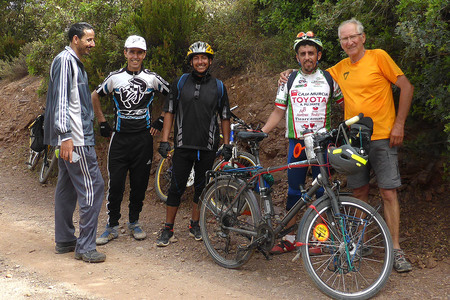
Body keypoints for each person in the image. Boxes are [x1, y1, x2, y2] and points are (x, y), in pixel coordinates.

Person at [280, 18, 414, 272]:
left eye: (353, 37)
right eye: (344, 39)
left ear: (363, 37)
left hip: (384, 136)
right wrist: (288, 74)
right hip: (354, 140)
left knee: (388, 192)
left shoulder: (379, 57)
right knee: (359, 192)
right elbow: (310, 72)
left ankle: (396, 250)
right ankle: (357, 245)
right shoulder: (339, 68)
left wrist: (400, 124)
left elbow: (406, 86)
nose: (350, 42)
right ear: (341, 43)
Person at [262, 31, 343, 254]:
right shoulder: (288, 80)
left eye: (311, 53)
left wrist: (350, 130)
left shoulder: (329, 79)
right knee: (294, 191)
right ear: (297, 57)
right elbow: (278, 111)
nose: (307, 57)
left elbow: (345, 104)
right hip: (296, 144)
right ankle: (288, 238)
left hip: (322, 144)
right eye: (302, 53)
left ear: (319, 55)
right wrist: (262, 132)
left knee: (322, 192)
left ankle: (320, 240)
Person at [91, 35, 170, 245]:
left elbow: (173, 94)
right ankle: (111, 226)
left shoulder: (152, 78)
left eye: (139, 52)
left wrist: (161, 120)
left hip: (143, 139)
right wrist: (102, 122)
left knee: (139, 184)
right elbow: (94, 95)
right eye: (131, 51)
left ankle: (134, 222)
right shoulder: (115, 77)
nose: (135, 56)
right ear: (125, 53)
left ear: (144, 55)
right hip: (119, 139)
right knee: (115, 184)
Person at [156, 41, 232, 247]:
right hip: (183, 145)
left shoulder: (218, 86)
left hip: (207, 147)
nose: (201, 61)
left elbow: (225, 116)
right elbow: (170, 111)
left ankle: (194, 225)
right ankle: (168, 229)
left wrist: (227, 144)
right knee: (176, 188)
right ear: (191, 61)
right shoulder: (180, 83)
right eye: (196, 58)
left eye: (204, 58)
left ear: (209, 61)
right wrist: (165, 141)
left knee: (201, 188)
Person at [44, 22, 106, 263]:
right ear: (75, 39)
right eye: (88, 39)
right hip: (75, 140)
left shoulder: (72, 62)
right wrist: (66, 137)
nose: (93, 44)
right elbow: (60, 101)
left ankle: (65, 240)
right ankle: (86, 246)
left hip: (72, 139)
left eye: (93, 39)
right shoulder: (66, 61)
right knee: (94, 187)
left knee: (67, 187)